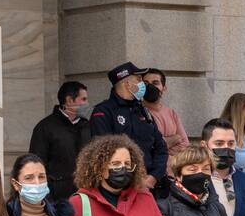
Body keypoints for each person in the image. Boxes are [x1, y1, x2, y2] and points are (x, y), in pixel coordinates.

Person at [90, 61, 168, 191]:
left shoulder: (142, 110)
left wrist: (153, 177)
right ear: (127, 84)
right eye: (138, 79)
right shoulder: (104, 112)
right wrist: (134, 181)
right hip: (120, 186)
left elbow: (161, 147)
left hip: (150, 186)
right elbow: (103, 152)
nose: (142, 83)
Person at [28, 80, 92, 202]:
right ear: (69, 100)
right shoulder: (45, 127)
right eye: (83, 99)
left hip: (85, 195)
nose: (87, 104)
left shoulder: (88, 126)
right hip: (57, 197)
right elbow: (36, 163)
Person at [141, 68, 189, 176]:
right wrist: (175, 138)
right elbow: (149, 148)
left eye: (155, 83)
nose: (150, 86)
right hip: (153, 176)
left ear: (164, 88)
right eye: (146, 83)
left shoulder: (171, 113)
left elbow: (185, 145)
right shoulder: (139, 113)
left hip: (176, 174)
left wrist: (164, 145)